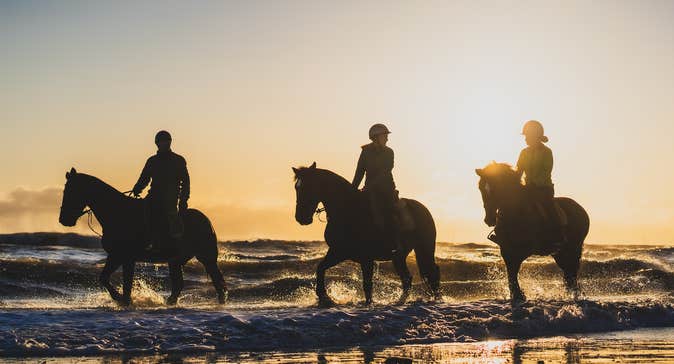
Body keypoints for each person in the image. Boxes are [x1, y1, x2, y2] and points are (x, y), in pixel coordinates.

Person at [133, 130, 190, 254]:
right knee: (141, 209)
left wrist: (183, 200)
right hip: (154, 195)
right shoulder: (152, 161)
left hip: (171, 197)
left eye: (166, 142)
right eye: (162, 142)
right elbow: (144, 178)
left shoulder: (178, 160)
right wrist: (137, 188)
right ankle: (145, 240)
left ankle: (167, 244)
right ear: (157, 144)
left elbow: (185, 182)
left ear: (170, 143)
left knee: (166, 215)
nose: (165, 144)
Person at [352, 123, 402, 254]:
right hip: (369, 189)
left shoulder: (389, 152)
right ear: (376, 137)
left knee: (387, 212)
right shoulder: (365, 152)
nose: (387, 138)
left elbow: (385, 172)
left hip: (386, 189)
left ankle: (393, 242)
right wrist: (351, 190)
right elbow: (359, 172)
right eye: (385, 135)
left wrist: (368, 187)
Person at [516, 120, 566, 250]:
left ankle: (558, 236)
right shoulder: (523, 152)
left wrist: (534, 184)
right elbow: (519, 171)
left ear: (535, 136)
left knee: (549, 207)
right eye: (525, 136)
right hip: (527, 189)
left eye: (528, 135)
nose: (526, 138)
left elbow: (546, 170)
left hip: (543, 188)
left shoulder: (546, 152)